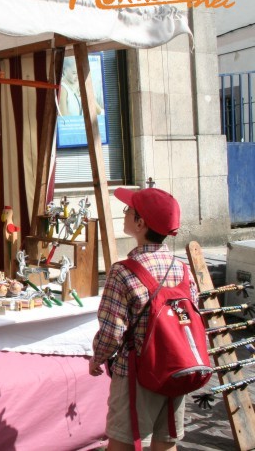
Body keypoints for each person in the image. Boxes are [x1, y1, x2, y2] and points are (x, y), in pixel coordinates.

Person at [89, 187, 197, 451]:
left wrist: (98, 358)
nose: (124, 214)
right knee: (165, 443)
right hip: (175, 368)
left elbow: (112, 331)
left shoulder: (122, 272)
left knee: (122, 444)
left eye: (128, 210)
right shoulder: (183, 269)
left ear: (140, 223)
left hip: (136, 372)